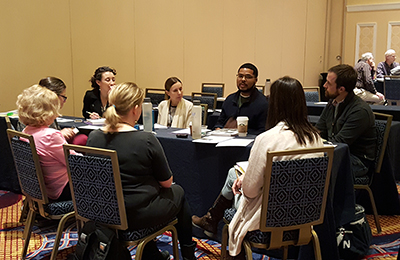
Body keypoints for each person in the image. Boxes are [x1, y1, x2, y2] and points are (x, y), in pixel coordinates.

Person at [193, 76, 324, 259]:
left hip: (267, 219)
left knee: (236, 188)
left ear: (275, 105)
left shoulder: (267, 139)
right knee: (236, 176)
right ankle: (211, 220)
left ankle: (212, 221)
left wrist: (243, 182)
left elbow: (251, 191)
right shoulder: (316, 139)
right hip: (305, 218)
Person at [86, 82, 196, 260]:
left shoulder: (94, 136)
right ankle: (188, 254)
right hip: (134, 215)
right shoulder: (145, 139)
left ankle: (152, 254)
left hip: (103, 210)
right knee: (178, 191)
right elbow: (166, 182)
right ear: (136, 109)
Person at [16, 85, 78, 201]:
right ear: (46, 112)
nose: (57, 114)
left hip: (42, 189)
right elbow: (75, 162)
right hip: (60, 190)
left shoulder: (26, 132)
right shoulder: (50, 136)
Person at [316, 64, 376, 178]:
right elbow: (319, 131)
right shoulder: (332, 103)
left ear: (341, 89)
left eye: (329, 83)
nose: (324, 85)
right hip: (337, 153)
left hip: (357, 160)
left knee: (318, 170)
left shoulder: (360, 111)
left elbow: (340, 143)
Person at [214, 63, 268, 135]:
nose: (243, 80)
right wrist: (218, 130)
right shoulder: (230, 99)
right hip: (225, 139)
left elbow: (263, 131)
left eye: (248, 77)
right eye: (240, 76)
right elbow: (219, 124)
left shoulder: (262, 103)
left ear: (256, 80)